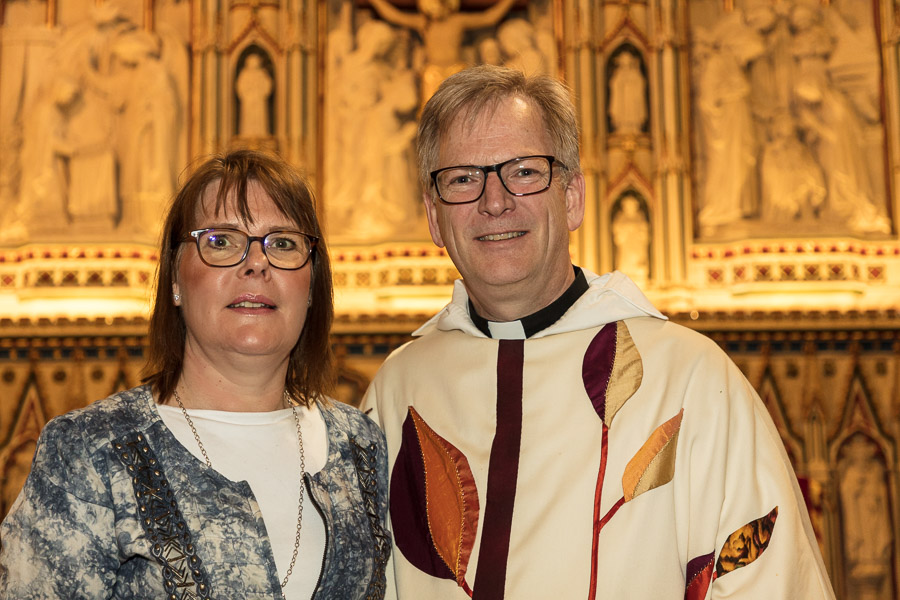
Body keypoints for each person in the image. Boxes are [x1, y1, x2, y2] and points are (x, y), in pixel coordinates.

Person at [362, 65, 835, 599]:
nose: (494, 201)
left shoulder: (690, 383)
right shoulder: (399, 393)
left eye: (523, 171)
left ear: (572, 197)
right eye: (463, 178)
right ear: (432, 215)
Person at [1, 150, 392, 599]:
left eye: (282, 243)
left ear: (311, 284)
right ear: (175, 278)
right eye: (221, 241)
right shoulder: (91, 451)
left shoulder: (362, 446)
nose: (256, 263)